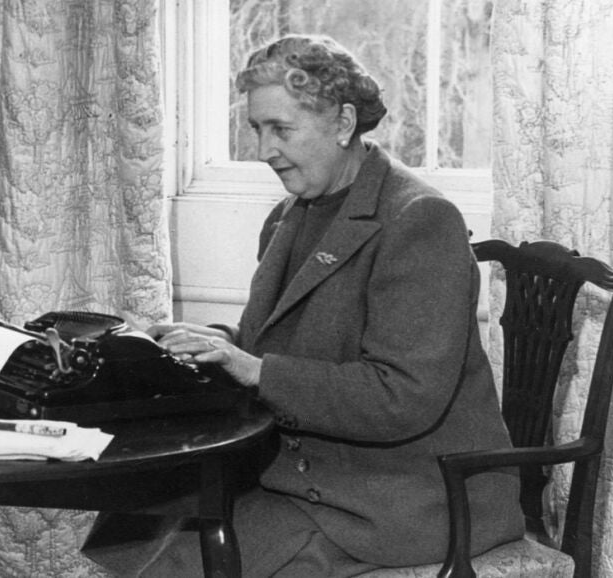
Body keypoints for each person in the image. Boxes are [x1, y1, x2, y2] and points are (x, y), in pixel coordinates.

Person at [114, 34, 524, 576]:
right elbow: (281, 340)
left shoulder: (420, 220)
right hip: (311, 480)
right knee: (129, 529)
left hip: (404, 498)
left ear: (343, 122)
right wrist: (222, 343)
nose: (264, 150)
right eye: (257, 128)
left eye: (281, 129)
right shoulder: (292, 214)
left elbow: (401, 397)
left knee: (181, 564)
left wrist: (254, 370)